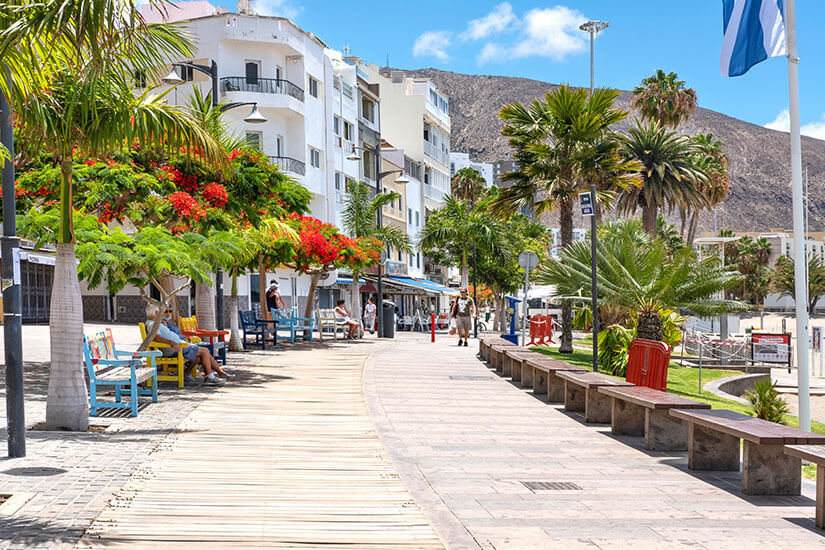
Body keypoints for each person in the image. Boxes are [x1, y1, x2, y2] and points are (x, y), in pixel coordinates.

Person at [145, 305, 232, 386]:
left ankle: (187, 373)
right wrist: (173, 343)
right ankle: (211, 377)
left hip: (178, 346)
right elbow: (157, 338)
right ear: (156, 313)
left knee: (199, 356)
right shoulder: (152, 324)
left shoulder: (156, 323)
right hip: (172, 349)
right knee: (204, 351)